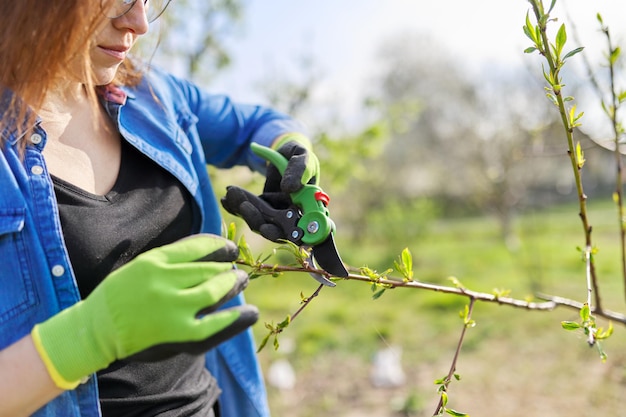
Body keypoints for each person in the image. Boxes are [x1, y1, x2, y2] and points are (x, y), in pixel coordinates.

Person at [0, 1, 322, 416]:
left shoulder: (154, 96)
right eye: (114, 1)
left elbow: (255, 124)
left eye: (147, 1)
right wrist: (87, 337)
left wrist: (290, 152)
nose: (139, 24)